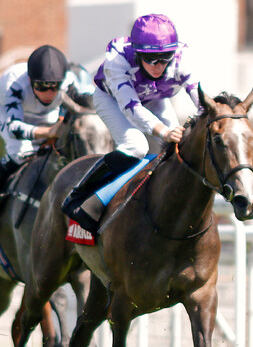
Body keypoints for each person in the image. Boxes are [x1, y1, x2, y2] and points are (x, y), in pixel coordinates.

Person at [61, 13, 201, 232]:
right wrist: (163, 132)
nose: (159, 65)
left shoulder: (182, 60)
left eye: (166, 57)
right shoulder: (116, 61)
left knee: (178, 147)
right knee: (136, 146)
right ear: (136, 54)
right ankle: (80, 195)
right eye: (151, 58)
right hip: (113, 100)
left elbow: (202, 101)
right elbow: (132, 108)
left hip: (154, 98)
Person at [0, 45, 94, 189]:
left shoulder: (69, 80)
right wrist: (49, 132)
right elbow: (12, 128)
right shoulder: (13, 83)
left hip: (51, 116)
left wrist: (61, 122)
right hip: (17, 118)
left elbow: (85, 110)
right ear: (30, 79)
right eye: (42, 86)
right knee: (20, 155)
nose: (49, 93)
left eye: (55, 86)